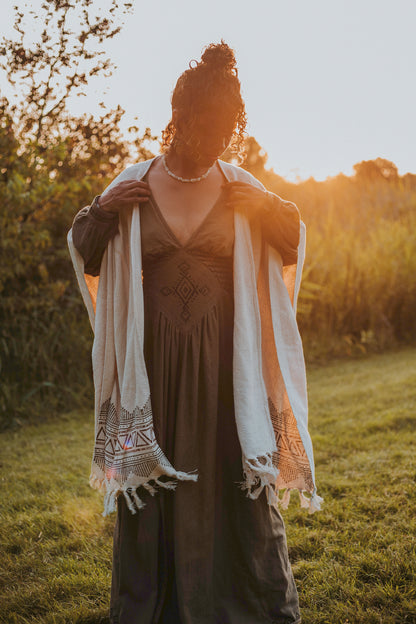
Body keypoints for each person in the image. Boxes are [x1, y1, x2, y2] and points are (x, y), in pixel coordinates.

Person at [68, 41, 320, 624]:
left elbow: (291, 240)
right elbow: (85, 251)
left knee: (236, 482)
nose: (213, 140)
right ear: (177, 117)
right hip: (150, 370)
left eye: (226, 129)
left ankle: (244, 608)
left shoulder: (240, 186)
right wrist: (104, 208)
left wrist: (267, 203)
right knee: (154, 490)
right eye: (203, 126)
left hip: (227, 372)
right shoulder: (133, 185)